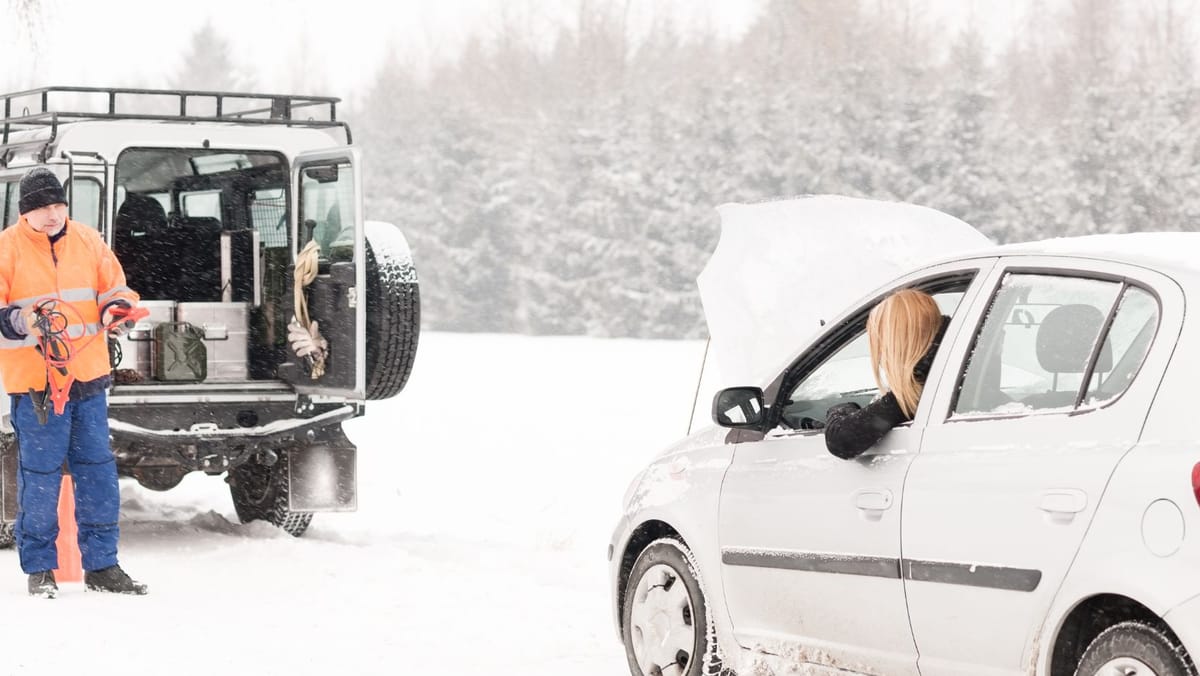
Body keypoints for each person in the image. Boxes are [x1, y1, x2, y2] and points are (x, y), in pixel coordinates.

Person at [0, 168, 147, 597]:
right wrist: (20, 319)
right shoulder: (6, 249)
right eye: (42, 208)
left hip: (88, 379)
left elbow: (115, 287)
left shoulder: (88, 239)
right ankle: (41, 569)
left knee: (98, 472)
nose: (52, 215)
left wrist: (116, 309)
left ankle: (103, 566)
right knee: (41, 475)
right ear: (25, 212)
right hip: (36, 385)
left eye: (58, 205)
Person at [824, 289, 949, 460]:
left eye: (881, 342)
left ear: (897, 342)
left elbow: (842, 441)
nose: (881, 354)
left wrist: (840, 409)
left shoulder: (922, 389)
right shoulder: (946, 371)